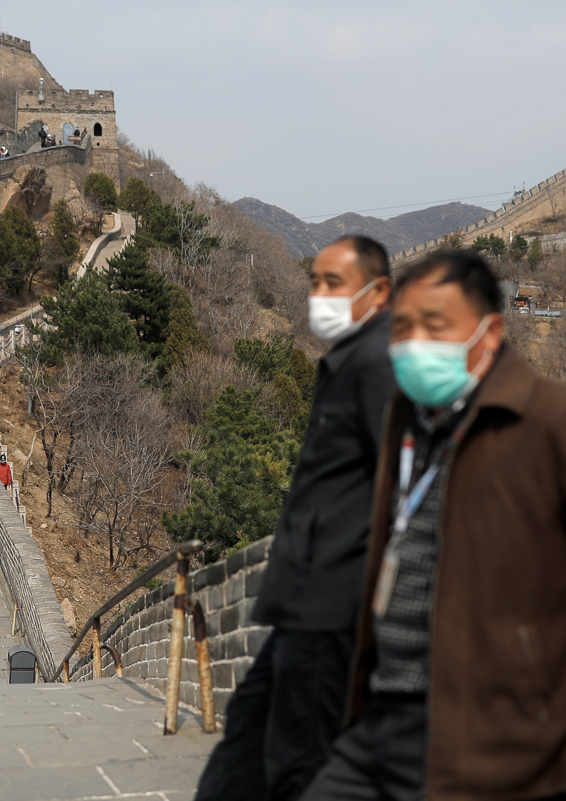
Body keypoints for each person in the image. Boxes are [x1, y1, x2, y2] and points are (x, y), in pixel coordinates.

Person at [299, 249, 566, 801]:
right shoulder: (407, 418)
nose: (414, 344)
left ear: (490, 331)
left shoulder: (554, 423)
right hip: (379, 723)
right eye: (403, 327)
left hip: (493, 749)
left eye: (436, 325)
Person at [195, 237, 395, 801]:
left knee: (300, 764)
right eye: (314, 282)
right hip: (305, 604)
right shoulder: (349, 360)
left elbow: (406, 480)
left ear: (377, 292)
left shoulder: (379, 362)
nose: (319, 295)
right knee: (244, 748)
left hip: (336, 602)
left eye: (335, 284)